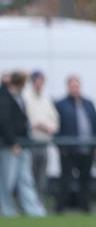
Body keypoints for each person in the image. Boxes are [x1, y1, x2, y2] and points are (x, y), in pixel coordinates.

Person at [0, 71, 47, 217]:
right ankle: (7, 210)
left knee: (26, 179)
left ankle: (33, 210)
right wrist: (13, 142)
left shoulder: (19, 97)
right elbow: (4, 122)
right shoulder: (4, 98)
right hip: (9, 146)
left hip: (23, 144)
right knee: (8, 181)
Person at [55, 75, 96, 213]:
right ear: (68, 87)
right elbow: (56, 126)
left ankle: (85, 208)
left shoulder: (88, 103)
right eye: (72, 85)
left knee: (85, 181)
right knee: (66, 180)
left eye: (77, 85)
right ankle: (59, 209)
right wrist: (61, 146)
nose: (75, 88)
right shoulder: (60, 104)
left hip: (87, 149)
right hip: (68, 150)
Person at [22, 70, 59, 202]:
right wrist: (36, 125)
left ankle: (39, 203)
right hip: (31, 142)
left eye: (41, 82)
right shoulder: (25, 98)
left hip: (44, 142)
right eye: (37, 82)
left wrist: (49, 127)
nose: (39, 84)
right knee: (29, 175)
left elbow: (55, 120)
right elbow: (24, 119)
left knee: (42, 176)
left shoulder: (46, 99)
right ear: (32, 82)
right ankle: (28, 204)